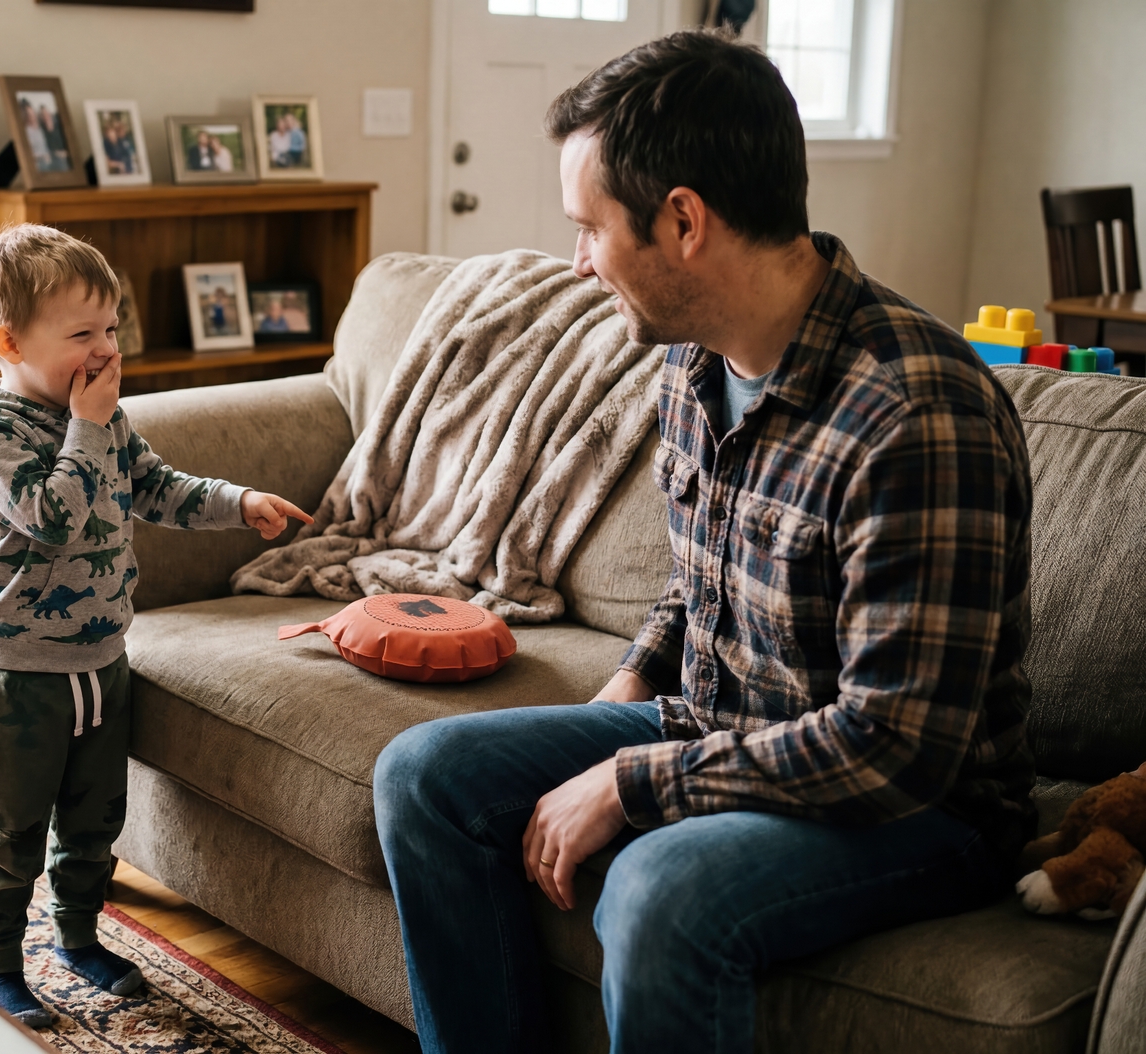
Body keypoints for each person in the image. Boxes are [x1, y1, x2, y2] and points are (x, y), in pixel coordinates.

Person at [372, 29, 1034, 1054]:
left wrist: (629, 781)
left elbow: (892, 748)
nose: (577, 263)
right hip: (717, 726)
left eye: (588, 229)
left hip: (917, 812)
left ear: (683, 220)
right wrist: (628, 690)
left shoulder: (914, 413)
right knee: (424, 775)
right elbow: (700, 580)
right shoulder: (693, 359)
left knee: (658, 888)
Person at [0, 224, 312, 1028]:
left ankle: (78, 937)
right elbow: (53, 518)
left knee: (94, 817)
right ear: (9, 342)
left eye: (111, 329)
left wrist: (237, 503)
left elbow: (157, 487)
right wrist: (86, 422)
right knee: (10, 832)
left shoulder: (102, 417)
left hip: (104, 663)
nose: (107, 350)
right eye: (83, 335)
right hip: (22, 675)